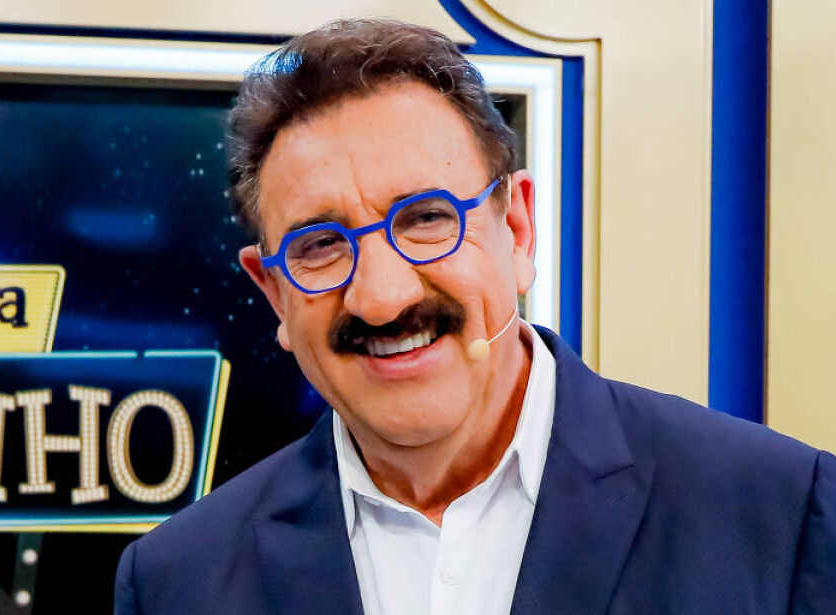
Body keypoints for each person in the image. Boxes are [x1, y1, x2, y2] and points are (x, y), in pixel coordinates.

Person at [114, 19, 835, 614]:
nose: (382, 298)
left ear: (517, 229)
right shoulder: (177, 582)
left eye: (426, 218)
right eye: (322, 245)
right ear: (275, 293)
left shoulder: (780, 514)